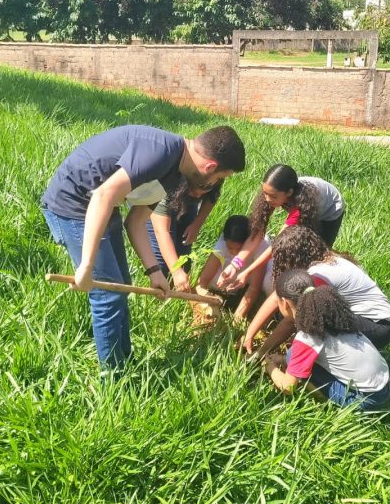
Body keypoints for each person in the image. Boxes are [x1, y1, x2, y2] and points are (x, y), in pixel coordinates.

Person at [41, 124, 246, 370]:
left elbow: (136, 221)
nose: (215, 184)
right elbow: (103, 195)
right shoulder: (160, 152)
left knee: (122, 287)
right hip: (73, 204)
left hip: (103, 208)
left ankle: (123, 362)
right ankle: (114, 381)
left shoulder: (176, 171)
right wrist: (87, 265)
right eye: (219, 178)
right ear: (210, 167)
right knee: (108, 296)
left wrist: (154, 272)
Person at [262, 269, 390, 410]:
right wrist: (282, 359)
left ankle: (328, 403)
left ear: (285, 303)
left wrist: (268, 365)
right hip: (385, 378)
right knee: (292, 357)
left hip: (368, 399)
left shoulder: (307, 337)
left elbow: (288, 387)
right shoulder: (333, 315)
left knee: (295, 361)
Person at [243, 226, 390, 357]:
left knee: (309, 320)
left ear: (293, 258)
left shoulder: (318, 275)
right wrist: (250, 333)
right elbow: (278, 295)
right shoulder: (322, 257)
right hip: (373, 319)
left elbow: (291, 319)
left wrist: (261, 353)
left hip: (377, 327)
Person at [218, 164, 344, 291]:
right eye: (265, 193)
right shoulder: (273, 191)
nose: (267, 199)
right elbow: (256, 233)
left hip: (330, 210)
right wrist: (235, 265)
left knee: (315, 254)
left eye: (272, 196)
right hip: (300, 200)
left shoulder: (300, 206)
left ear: (289, 192)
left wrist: (247, 272)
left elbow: (277, 245)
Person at [146, 179, 221, 292]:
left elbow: (212, 196)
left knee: (183, 256)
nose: (199, 197)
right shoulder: (167, 182)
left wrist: (197, 224)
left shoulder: (217, 174)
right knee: (161, 262)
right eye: (196, 193)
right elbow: (162, 232)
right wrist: (176, 271)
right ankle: (158, 295)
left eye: (203, 193)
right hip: (159, 196)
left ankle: (179, 294)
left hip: (185, 196)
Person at [195, 215, 273, 321]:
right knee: (214, 281)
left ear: (248, 243)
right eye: (230, 248)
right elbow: (202, 282)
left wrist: (237, 319)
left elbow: (254, 287)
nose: (234, 252)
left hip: (249, 278)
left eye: (239, 249)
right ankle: (225, 296)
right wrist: (209, 299)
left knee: (267, 282)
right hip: (230, 276)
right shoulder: (222, 244)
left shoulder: (260, 246)